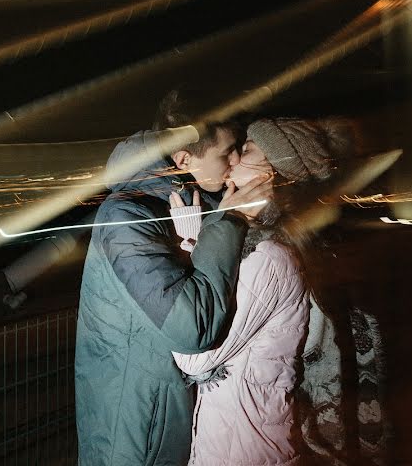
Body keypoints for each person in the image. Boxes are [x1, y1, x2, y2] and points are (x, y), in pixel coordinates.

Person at [74, 90, 272, 466]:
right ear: (183, 159)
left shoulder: (190, 200)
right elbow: (191, 329)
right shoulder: (127, 217)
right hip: (135, 421)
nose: (234, 160)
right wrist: (231, 221)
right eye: (226, 152)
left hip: (166, 409)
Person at [171, 117, 351, 466]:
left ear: (273, 177)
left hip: (246, 452)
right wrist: (203, 237)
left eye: (247, 151)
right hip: (236, 441)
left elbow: (194, 354)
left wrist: (196, 244)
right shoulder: (255, 245)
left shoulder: (268, 257)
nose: (233, 159)